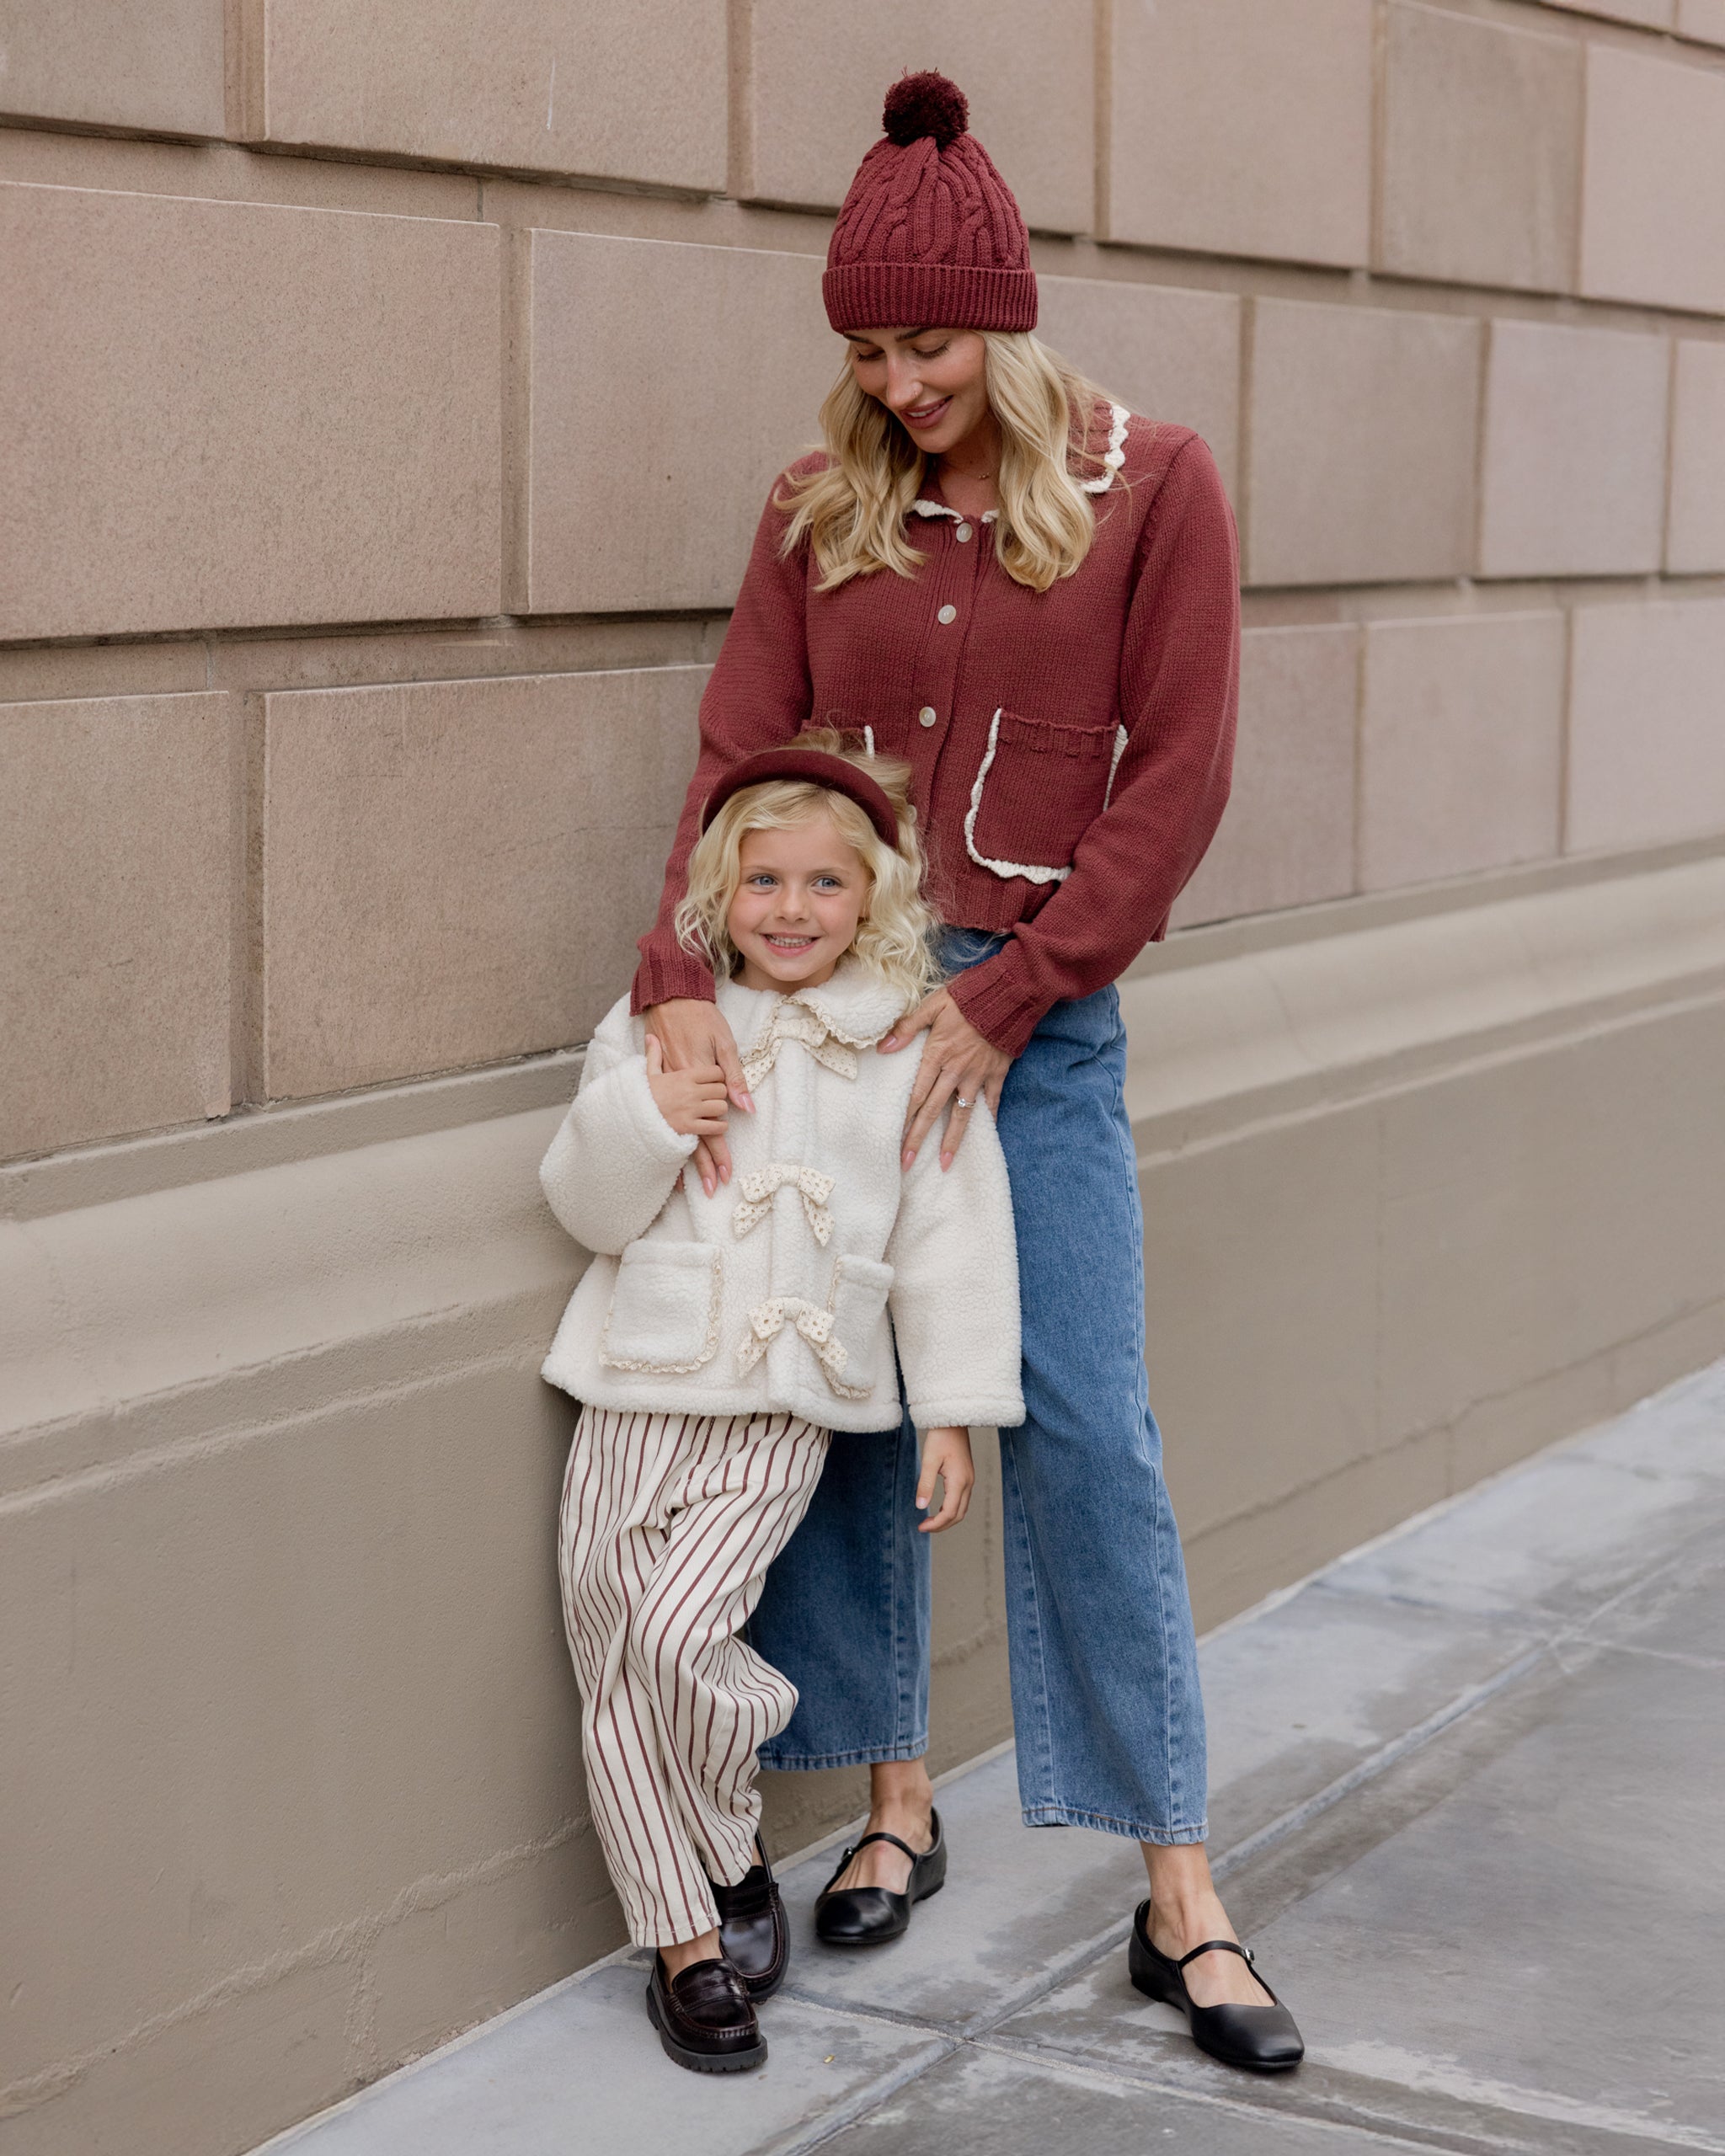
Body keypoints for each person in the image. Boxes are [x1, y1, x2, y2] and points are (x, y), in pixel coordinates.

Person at [632, 72, 1304, 2071]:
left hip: (1036, 1024)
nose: (899, 380)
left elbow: (1173, 784)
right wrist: (679, 977)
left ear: (1004, 315)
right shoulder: (811, 509)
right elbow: (735, 761)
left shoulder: (1149, 483)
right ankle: (890, 1797)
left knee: (1086, 1423)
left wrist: (1009, 1003)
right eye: (864, 347)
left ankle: (1180, 1888)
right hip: (835, 1030)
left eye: (927, 341)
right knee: (854, 1410)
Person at [538, 738, 1023, 2073]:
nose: (793, 909)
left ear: (872, 900)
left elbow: (955, 1233)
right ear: (717, 890)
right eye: (764, 881)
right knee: (611, 1652)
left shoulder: (900, 1047)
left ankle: (728, 1833)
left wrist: (952, 1408)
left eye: (824, 883)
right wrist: (648, 1112)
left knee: (681, 1634)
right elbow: (583, 1201)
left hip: (780, 1409)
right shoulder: (662, 1030)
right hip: (636, 1384)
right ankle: (690, 1938)